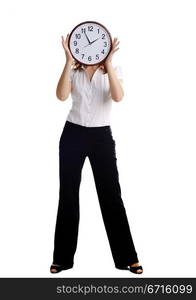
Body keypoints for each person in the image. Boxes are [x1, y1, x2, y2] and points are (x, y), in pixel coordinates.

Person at [50, 33, 143, 274]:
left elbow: (118, 97)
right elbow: (61, 96)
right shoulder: (74, 71)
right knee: (68, 195)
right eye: (83, 42)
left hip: (101, 136)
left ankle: (127, 258)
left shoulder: (113, 70)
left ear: (104, 46)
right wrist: (67, 61)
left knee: (111, 195)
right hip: (72, 135)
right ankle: (62, 259)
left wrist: (109, 63)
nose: (89, 47)